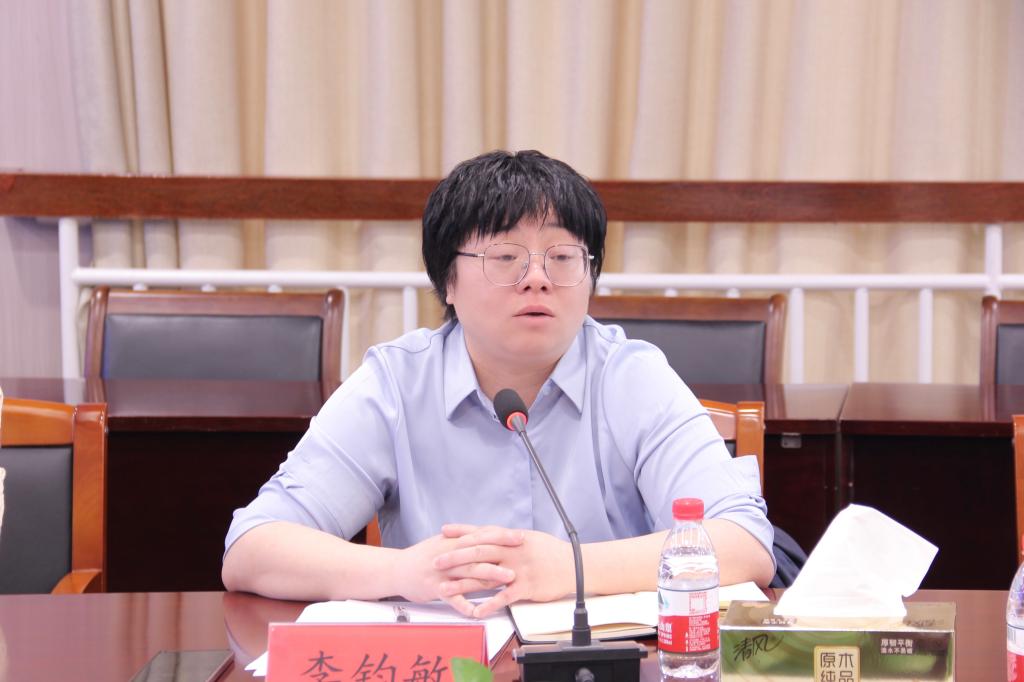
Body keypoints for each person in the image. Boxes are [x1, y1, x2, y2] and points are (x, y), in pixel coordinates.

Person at [222, 150, 775, 618]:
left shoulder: (632, 377)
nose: (536, 278)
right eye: (505, 256)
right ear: (447, 281)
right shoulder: (396, 384)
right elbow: (252, 548)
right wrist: (404, 570)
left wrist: (570, 568)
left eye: (562, 257)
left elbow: (744, 542)